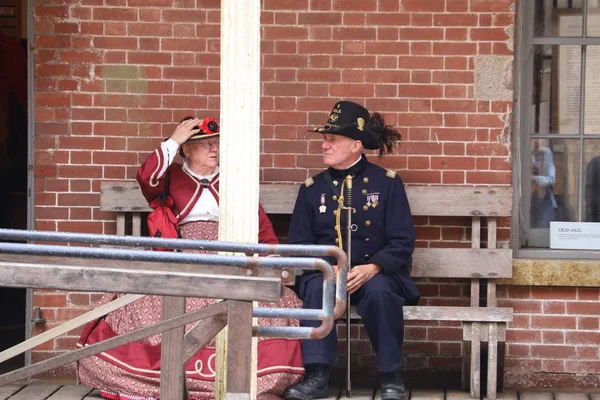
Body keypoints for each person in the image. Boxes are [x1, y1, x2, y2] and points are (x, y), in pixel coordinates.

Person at [77, 116, 304, 400]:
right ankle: (162, 379)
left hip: (230, 259)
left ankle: (242, 378)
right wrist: (173, 140)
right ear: (187, 150)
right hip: (181, 258)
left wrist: (270, 260)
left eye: (216, 143)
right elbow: (146, 176)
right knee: (153, 302)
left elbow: (260, 228)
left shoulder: (234, 181)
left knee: (269, 298)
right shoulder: (171, 177)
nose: (213, 149)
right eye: (205, 144)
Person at [285, 101, 419, 400]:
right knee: (318, 289)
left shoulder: (387, 185)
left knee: (382, 294)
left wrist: (373, 268)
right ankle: (317, 375)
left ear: (356, 145)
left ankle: (390, 376)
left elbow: (402, 240)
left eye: (332, 140)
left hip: (374, 273)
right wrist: (326, 267)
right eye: (325, 139)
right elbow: (299, 243)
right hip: (328, 273)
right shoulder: (311, 188)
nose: (324, 145)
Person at [530, 139, 557, 228]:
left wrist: (534, 178)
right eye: (534, 141)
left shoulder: (546, 154)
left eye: (538, 141)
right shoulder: (525, 155)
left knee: (542, 225)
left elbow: (551, 180)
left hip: (544, 197)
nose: (536, 143)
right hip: (528, 198)